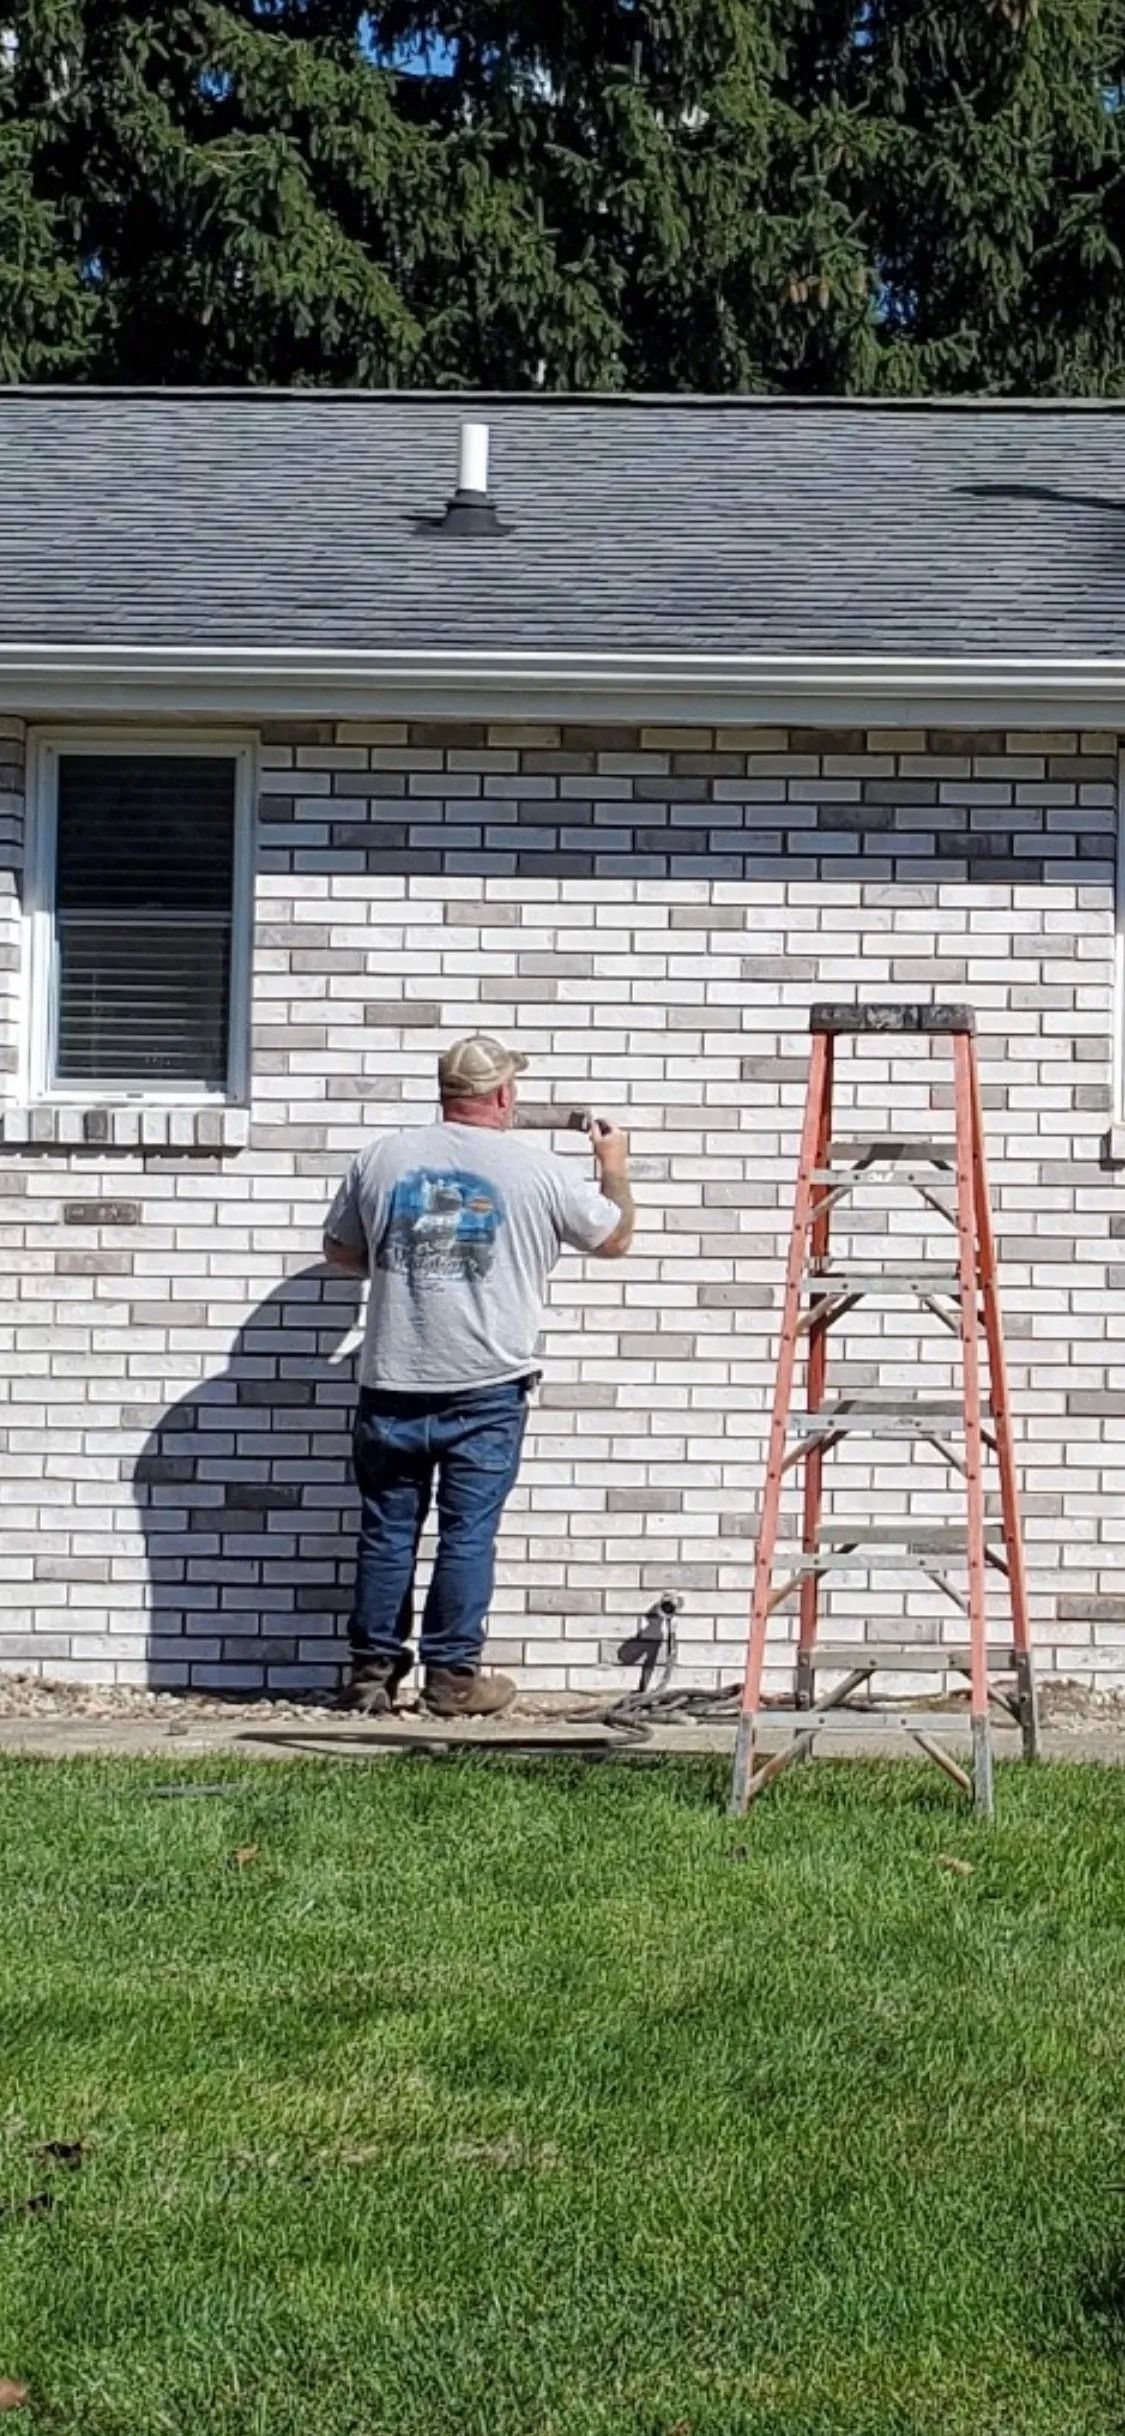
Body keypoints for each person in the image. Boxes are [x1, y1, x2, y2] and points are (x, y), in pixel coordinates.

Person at [322, 1034, 635, 1716]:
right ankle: (452, 1679)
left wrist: (408, 1263)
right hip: (487, 1386)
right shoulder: (537, 1170)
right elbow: (611, 1239)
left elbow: (342, 1252)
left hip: (392, 1381)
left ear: (445, 1092)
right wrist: (612, 1164)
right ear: (502, 1095)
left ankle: (369, 1677)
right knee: (466, 1533)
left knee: (386, 1529)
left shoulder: (380, 1158)